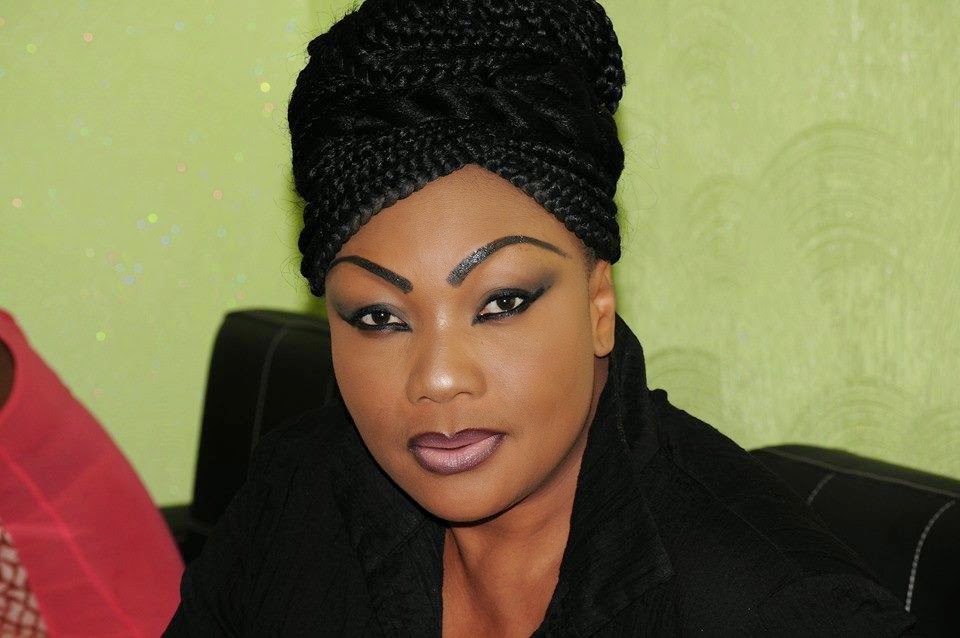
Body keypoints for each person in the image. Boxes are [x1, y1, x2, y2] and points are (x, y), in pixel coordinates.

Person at [166, 1, 920, 635]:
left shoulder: (778, 608)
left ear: (599, 303)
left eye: (500, 303)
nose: (437, 379)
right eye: (379, 316)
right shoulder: (296, 499)